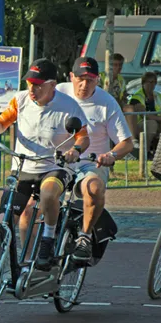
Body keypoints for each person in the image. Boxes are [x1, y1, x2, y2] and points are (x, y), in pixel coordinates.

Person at [0, 58, 90, 272]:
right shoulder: (20, 100)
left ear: (52, 85)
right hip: (24, 168)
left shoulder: (69, 106)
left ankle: (47, 240)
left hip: (54, 166)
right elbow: (3, 121)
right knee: (3, 221)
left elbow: (83, 137)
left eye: (38, 84)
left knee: (48, 194)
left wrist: (75, 150)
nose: (32, 88)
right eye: (30, 83)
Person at [53, 56, 134, 262]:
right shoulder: (57, 93)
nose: (84, 84)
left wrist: (111, 155)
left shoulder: (106, 102)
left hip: (91, 163)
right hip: (57, 162)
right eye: (80, 78)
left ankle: (85, 237)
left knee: (95, 188)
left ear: (98, 79)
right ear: (71, 76)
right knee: (29, 205)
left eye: (90, 79)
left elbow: (126, 142)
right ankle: (32, 256)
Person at [124, 71, 161, 154]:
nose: (151, 85)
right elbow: (146, 116)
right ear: (143, 83)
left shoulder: (159, 96)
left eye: (153, 82)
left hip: (157, 121)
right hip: (138, 126)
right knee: (152, 124)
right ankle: (143, 152)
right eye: (149, 82)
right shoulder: (137, 97)